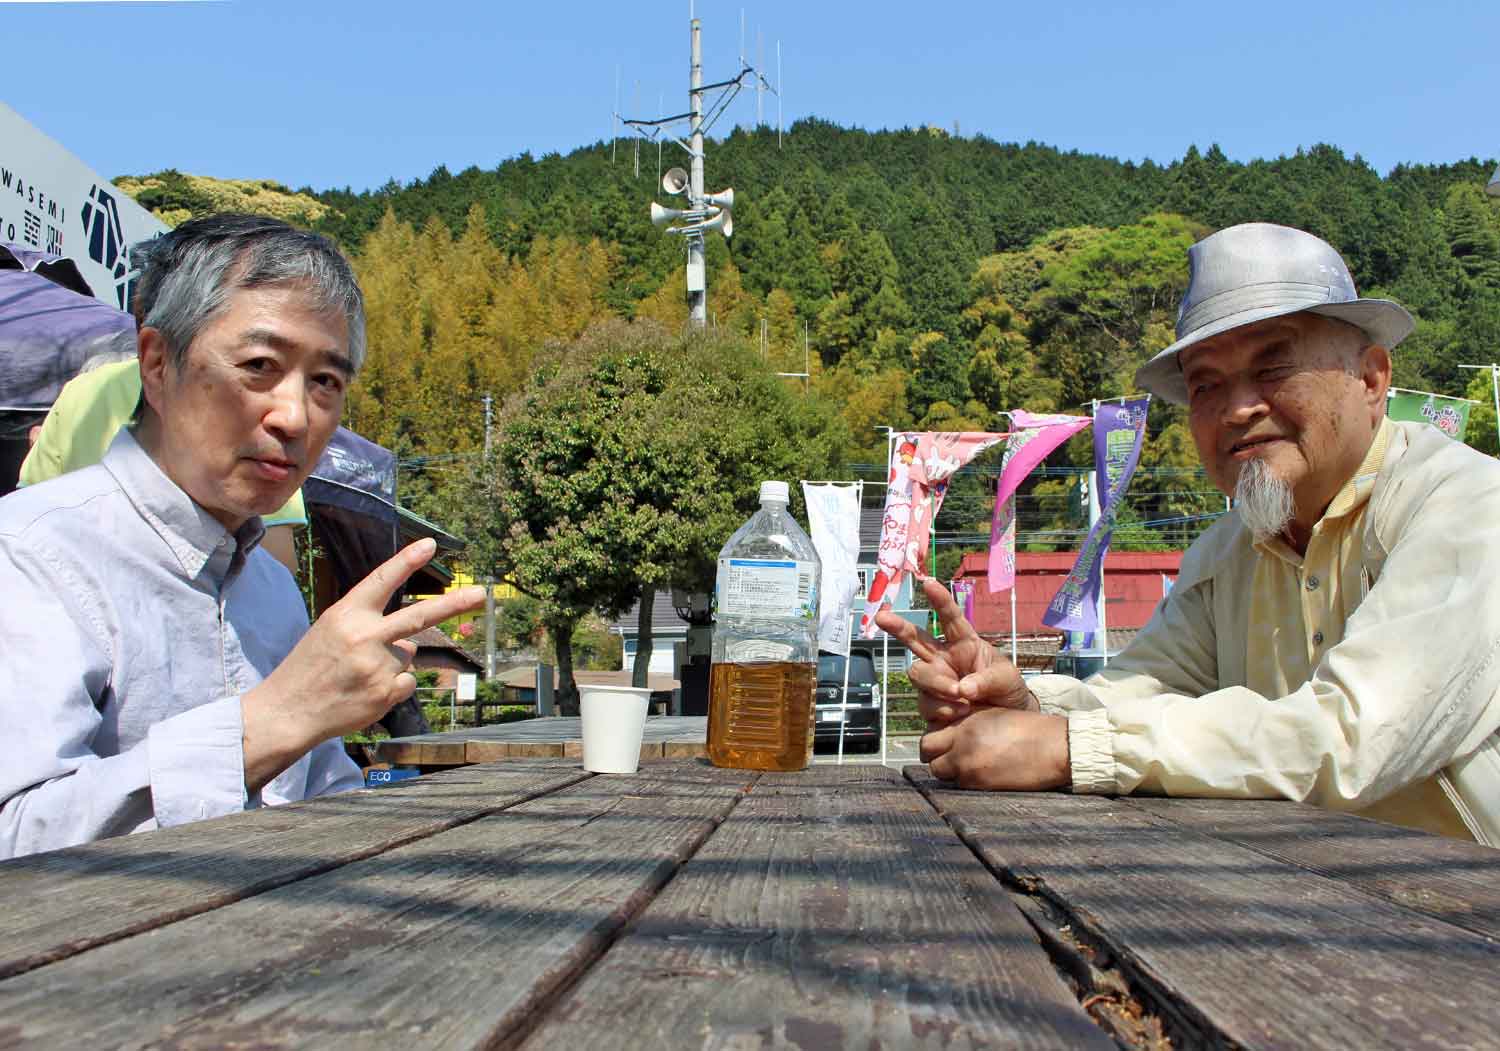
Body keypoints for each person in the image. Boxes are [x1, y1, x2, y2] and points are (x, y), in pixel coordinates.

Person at [878, 222, 1500, 845]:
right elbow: (1142, 691)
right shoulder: (1228, 551)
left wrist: (1068, 747)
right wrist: (1025, 709)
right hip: (1307, 890)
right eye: (1206, 385)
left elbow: (1352, 735)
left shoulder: (1468, 507)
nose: (1238, 409)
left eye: (1274, 365)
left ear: (1370, 379)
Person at [0, 214, 484, 859]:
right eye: (259, 365)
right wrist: (271, 723)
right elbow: (14, 832)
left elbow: (320, 798)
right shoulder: (28, 555)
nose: (295, 417)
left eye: (326, 382)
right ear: (157, 364)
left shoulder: (271, 587)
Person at [18, 359, 307, 574]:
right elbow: (277, 556)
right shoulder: (259, 401)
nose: (293, 420)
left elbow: (30, 510)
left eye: (325, 380)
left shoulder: (80, 390)